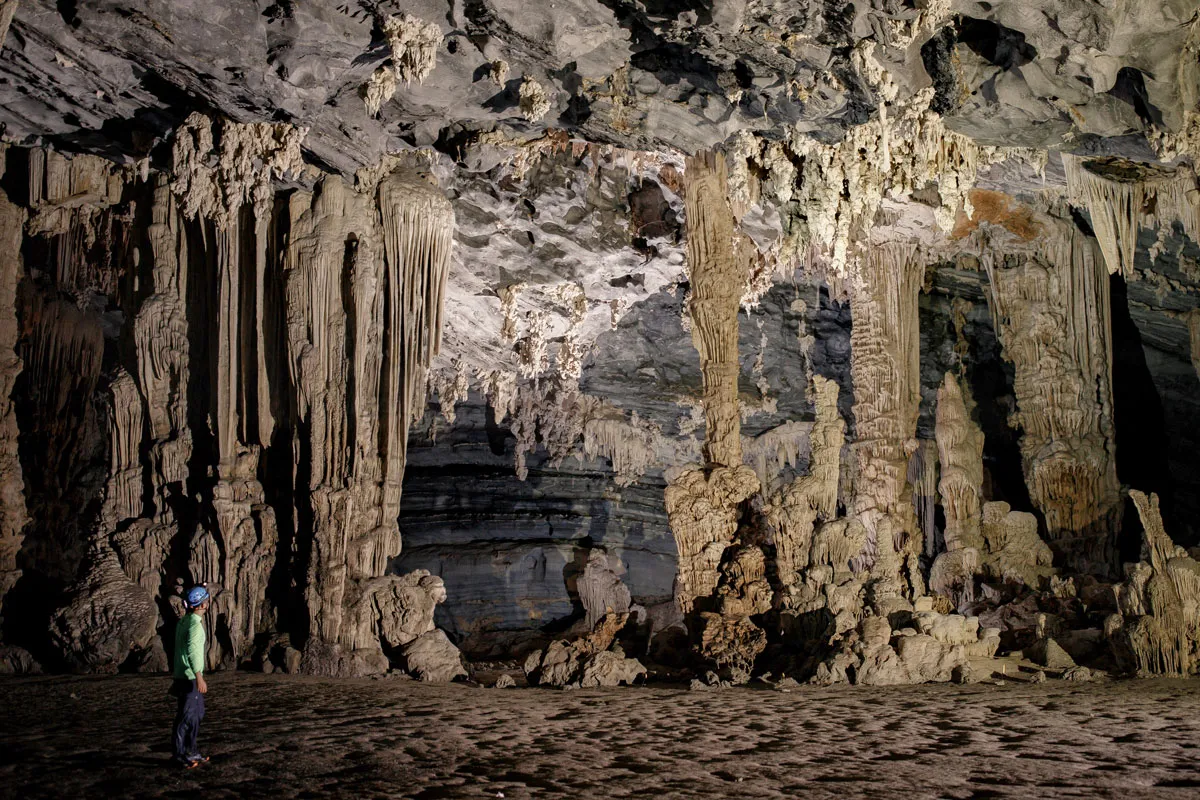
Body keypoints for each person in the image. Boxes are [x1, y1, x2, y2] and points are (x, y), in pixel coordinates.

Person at [171, 585, 211, 768]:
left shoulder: (184, 621)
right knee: (187, 717)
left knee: (196, 714)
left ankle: (191, 750)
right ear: (202, 604)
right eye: (207, 600)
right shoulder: (194, 626)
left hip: (183, 675)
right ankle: (180, 755)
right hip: (189, 677)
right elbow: (193, 651)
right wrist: (199, 676)